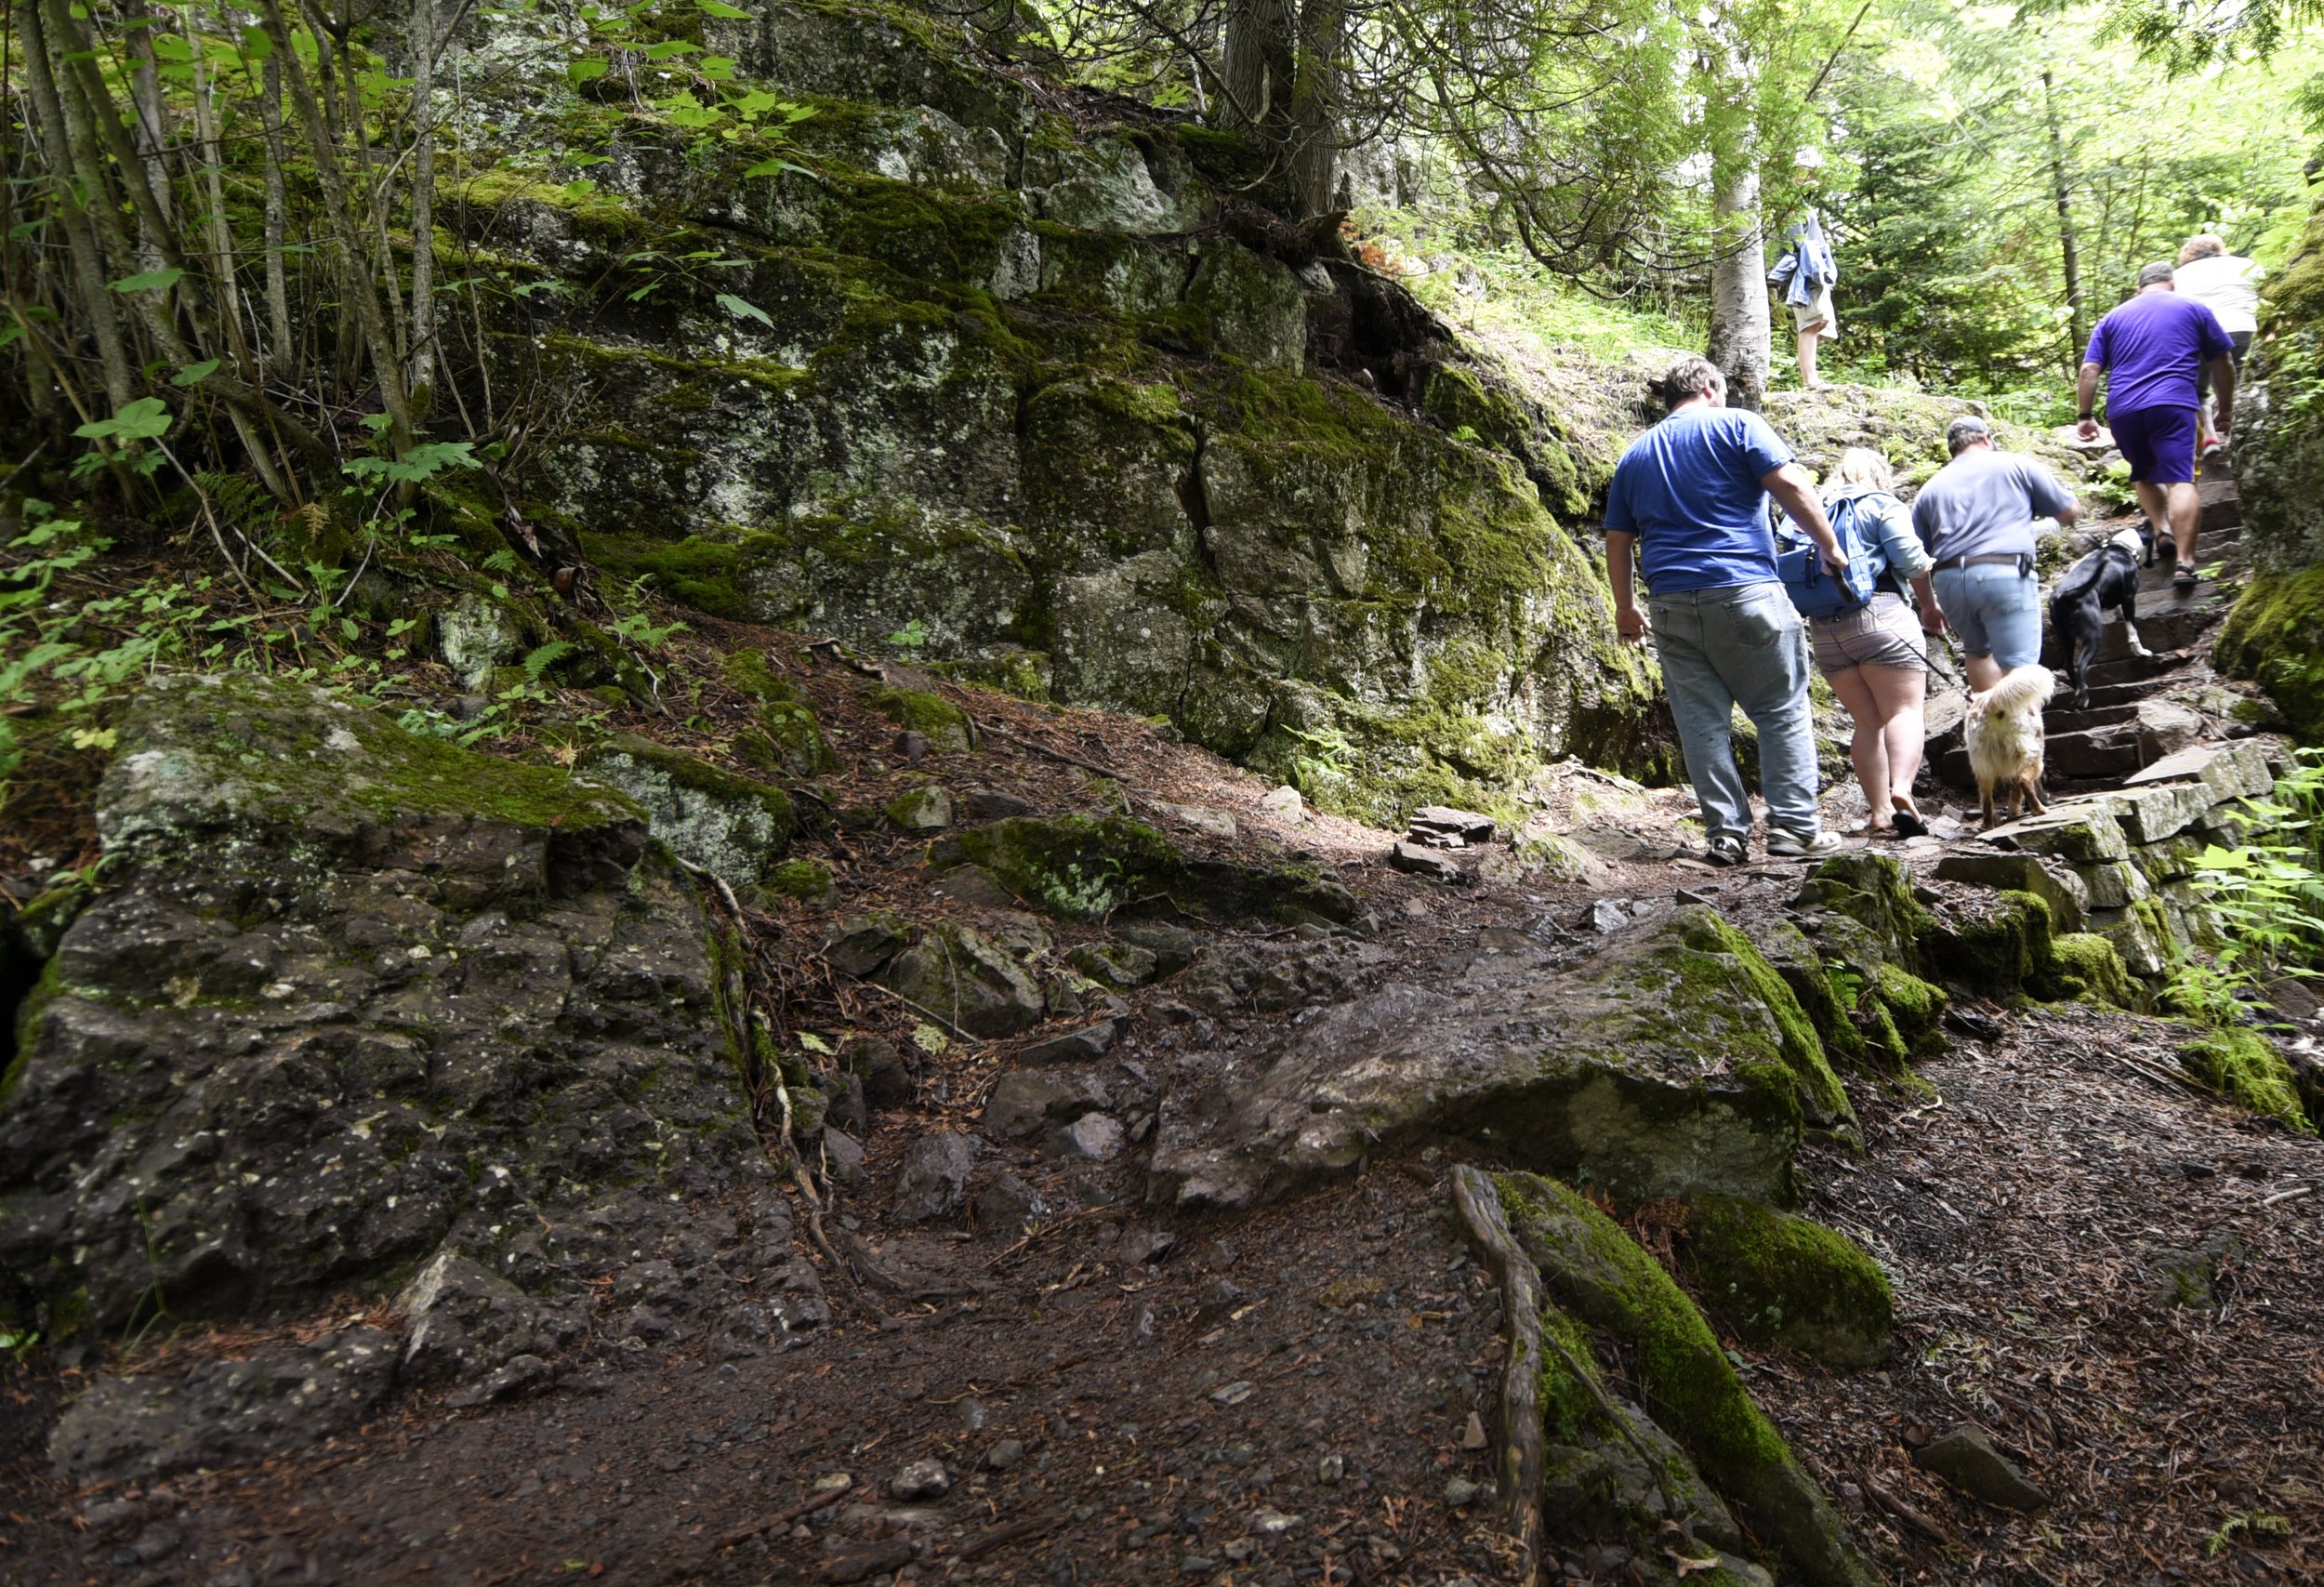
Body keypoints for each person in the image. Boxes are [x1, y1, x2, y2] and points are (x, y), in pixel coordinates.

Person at [1605, 354, 1848, 866]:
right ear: (1711, 386)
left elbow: (1619, 539)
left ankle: (1726, 836)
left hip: (1669, 603)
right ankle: (1794, 829)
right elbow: (1791, 486)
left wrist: (1625, 607)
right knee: (1779, 708)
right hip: (1744, 591)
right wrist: (1829, 545)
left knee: (1701, 725)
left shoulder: (1635, 454)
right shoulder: (1739, 424)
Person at [1797, 449, 1940, 838]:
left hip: (1826, 630)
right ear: (1879, 475)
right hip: (1882, 615)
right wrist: (1929, 607)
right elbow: (1913, 562)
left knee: (1866, 722)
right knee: (1904, 712)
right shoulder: (1880, 503)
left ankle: (1878, 813)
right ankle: (1902, 791)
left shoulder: (1809, 510)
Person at [2076, 261, 2236, 590]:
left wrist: (2085, 416)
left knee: (2143, 471)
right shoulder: (2193, 307)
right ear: (2171, 284)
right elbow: (2223, 361)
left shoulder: (2111, 318)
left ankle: (2163, 531)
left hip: (2123, 410)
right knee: (2180, 480)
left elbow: (2089, 370)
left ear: (2139, 288)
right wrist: (2225, 410)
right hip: (2174, 404)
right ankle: (2186, 563)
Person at [1911, 415, 2080, 693]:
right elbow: (2067, 511)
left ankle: (1993, 732)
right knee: (2020, 668)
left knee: (1977, 653)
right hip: (2005, 573)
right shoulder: (2018, 464)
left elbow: (1916, 558)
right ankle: (2024, 734)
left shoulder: (1929, 489)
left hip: (1951, 582)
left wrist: (1928, 606)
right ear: (1987, 439)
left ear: (1953, 448)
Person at [2173, 233, 2264, 457]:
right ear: (2219, 248)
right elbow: (2266, 294)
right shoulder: (2246, 265)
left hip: (2198, 333)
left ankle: (2210, 437)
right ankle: (2237, 437)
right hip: (2242, 326)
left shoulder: (2177, 276)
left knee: (2198, 388)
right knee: (2239, 382)